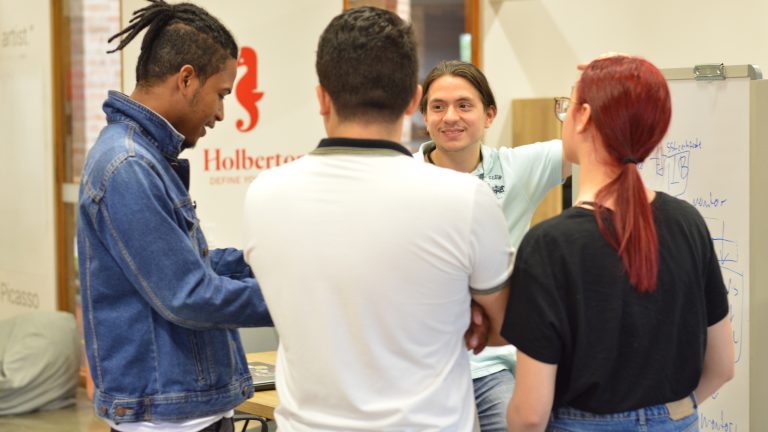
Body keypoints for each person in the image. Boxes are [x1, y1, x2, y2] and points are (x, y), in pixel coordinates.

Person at [242, 7, 513, 431]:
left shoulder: (264, 194)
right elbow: (501, 329)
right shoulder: (464, 199)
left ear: (321, 98)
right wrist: (464, 313)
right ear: (413, 100)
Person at [502, 55, 735, 431]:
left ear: (583, 116)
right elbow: (722, 367)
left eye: (568, 105)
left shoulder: (550, 245)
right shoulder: (688, 223)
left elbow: (529, 416)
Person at [76, 1, 273, 431]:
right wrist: (297, 299)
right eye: (221, 94)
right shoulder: (126, 166)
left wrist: (270, 261)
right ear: (186, 78)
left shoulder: (143, 158)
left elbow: (187, 264)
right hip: (169, 419)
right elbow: (189, 294)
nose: (221, 113)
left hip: (186, 411)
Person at [416, 59, 570, 432]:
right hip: (419, 367)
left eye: (464, 105)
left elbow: (593, 140)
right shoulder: (403, 177)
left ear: (489, 115)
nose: (450, 117)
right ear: (424, 116)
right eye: (438, 106)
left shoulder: (517, 169)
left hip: (492, 366)